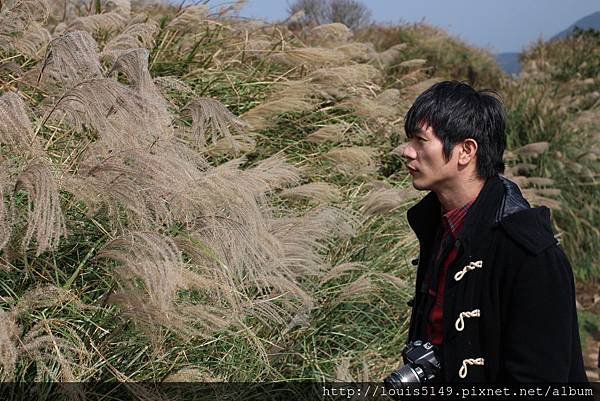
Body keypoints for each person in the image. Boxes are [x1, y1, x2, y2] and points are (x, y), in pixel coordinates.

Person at [400, 80, 587, 383]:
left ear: (466, 151)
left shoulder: (529, 254)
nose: (407, 152)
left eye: (420, 141)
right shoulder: (438, 225)